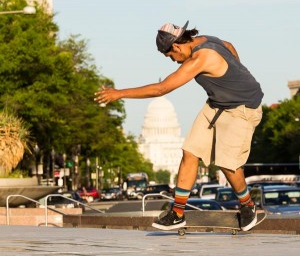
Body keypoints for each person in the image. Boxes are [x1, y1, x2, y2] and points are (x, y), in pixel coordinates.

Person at [94, 20, 264, 231]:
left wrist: (119, 94)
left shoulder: (200, 58)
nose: (174, 61)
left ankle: (248, 206)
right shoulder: (206, 40)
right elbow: (229, 45)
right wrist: (237, 70)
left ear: (175, 46)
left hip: (242, 107)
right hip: (217, 103)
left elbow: (161, 89)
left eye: (171, 56)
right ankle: (177, 213)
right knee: (190, 151)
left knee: (227, 163)